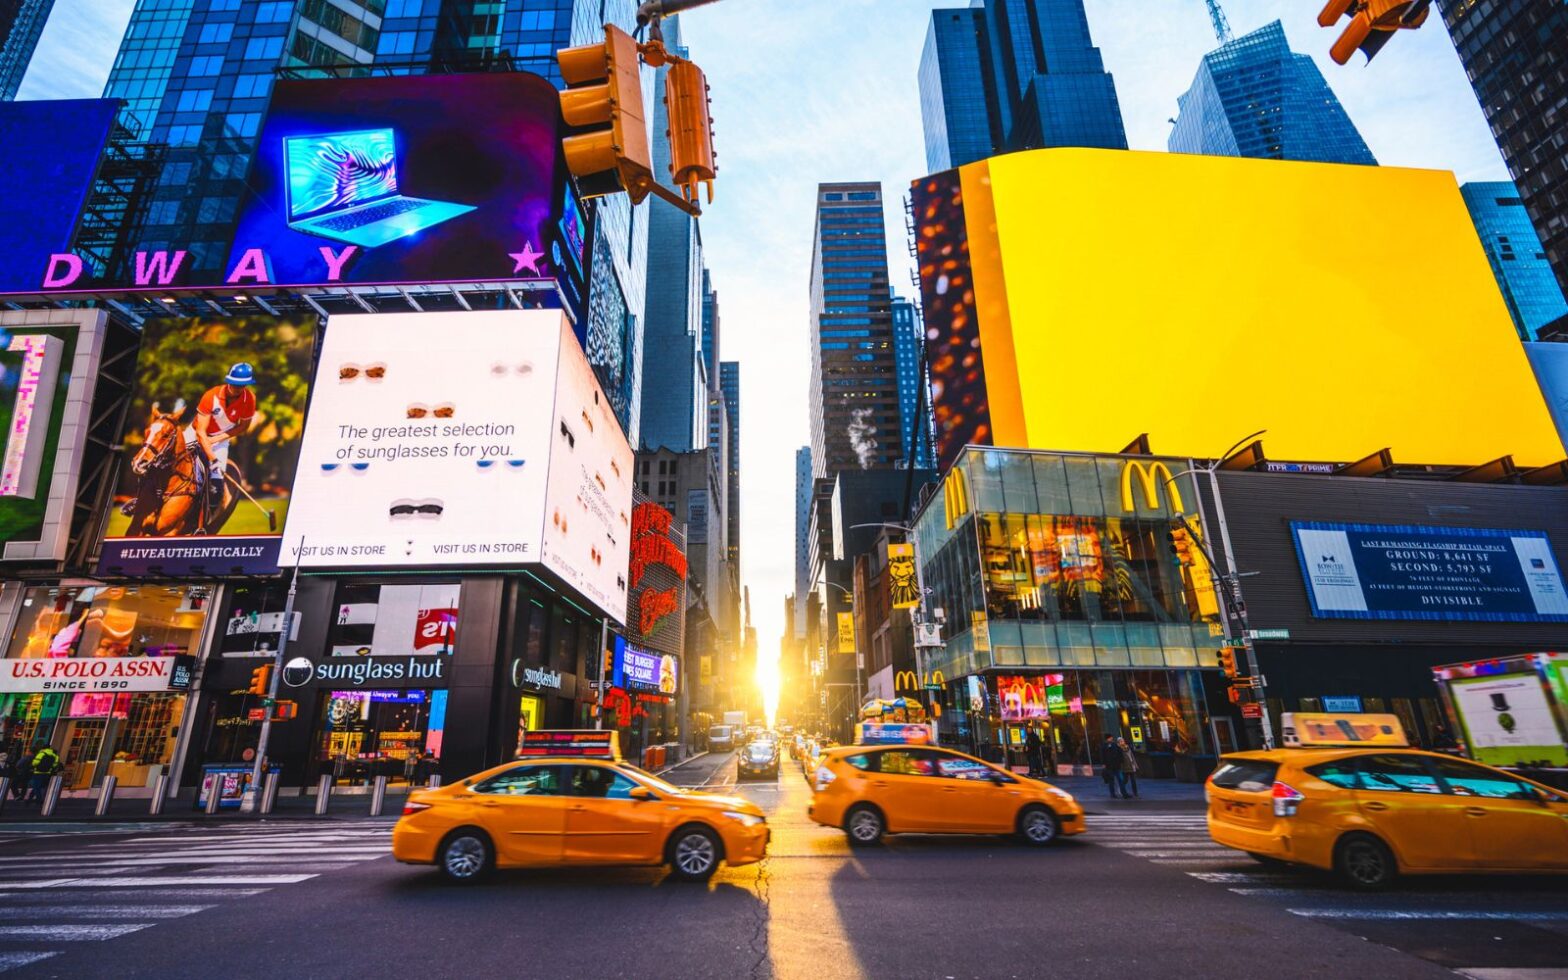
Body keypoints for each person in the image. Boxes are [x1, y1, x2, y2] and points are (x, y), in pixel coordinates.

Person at [183, 362, 257, 530]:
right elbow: (201, 432)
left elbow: (243, 426)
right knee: (165, 461)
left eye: (241, 385)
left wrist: (218, 440)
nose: (236, 388)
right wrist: (211, 457)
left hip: (220, 440)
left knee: (216, 488)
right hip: (194, 433)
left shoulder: (249, 399)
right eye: (233, 383)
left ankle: (203, 523)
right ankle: (138, 501)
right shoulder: (211, 396)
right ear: (228, 380)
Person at [24, 740, 61, 805]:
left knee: (36, 786)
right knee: (39, 786)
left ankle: (39, 800)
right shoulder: (55, 756)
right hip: (47, 773)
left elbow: (35, 762)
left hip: (38, 772)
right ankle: (29, 799)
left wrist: (32, 766)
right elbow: (55, 765)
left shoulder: (41, 754)